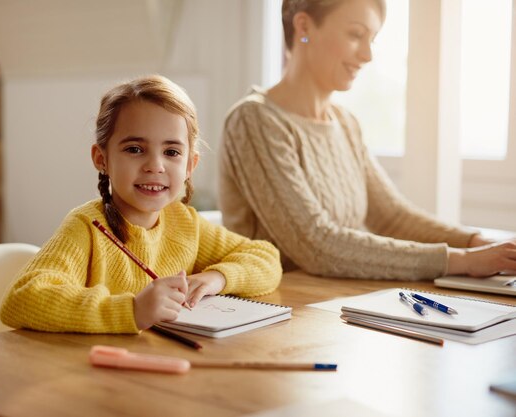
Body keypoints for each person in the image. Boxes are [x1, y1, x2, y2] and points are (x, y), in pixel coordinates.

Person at [219, 0, 516, 280]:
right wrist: (462, 261)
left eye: (371, 39)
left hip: (336, 305)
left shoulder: (345, 124)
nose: (367, 55)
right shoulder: (255, 120)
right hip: (278, 313)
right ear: (304, 27)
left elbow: (392, 217)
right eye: (355, 35)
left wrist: (475, 241)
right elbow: (316, 246)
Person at [0, 75, 282, 333]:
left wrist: (217, 278)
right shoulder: (86, 227)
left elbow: (266, 258)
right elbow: (23, 299)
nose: (155, 166)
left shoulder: (184, 222)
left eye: (171, 152)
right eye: (135, 149)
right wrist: (130, 310)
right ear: (102, 159)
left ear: (189, 165)